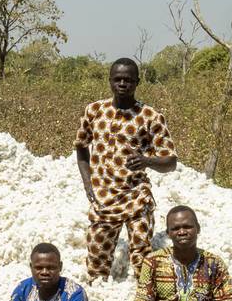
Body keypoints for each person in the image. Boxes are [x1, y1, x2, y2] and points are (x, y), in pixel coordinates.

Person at [75, 57, 178, 281]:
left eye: (128, 80)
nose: (123, 84)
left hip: (136, 197)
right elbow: (81, 148)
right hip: (103, 199)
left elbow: (170, 161)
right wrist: (87, 183)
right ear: (110, 81)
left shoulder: (150, 117)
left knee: (142, 258)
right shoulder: (93, 111)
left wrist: (147, 161)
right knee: (96, 264)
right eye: (118, 79)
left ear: (137, 82)